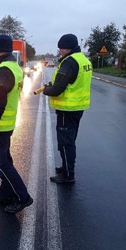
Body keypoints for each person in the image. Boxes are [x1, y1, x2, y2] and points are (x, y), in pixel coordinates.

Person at [0, 34, 33, 213]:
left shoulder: (3, 69)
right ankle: (6, 191)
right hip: (5, 125)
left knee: (1, 164)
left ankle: (22, 197)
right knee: (5, 160)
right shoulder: (13, 67)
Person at [43, 34, 92, 183]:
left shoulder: (69, 62)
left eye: (61, 48)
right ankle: (66, 166)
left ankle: (68, 174)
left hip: (67, 109)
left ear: (67, 48)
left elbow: (58, 88)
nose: (59, 51)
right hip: (78, 107)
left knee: (65, 142)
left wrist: (47, 90)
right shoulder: (83, 60)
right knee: (70, 140)